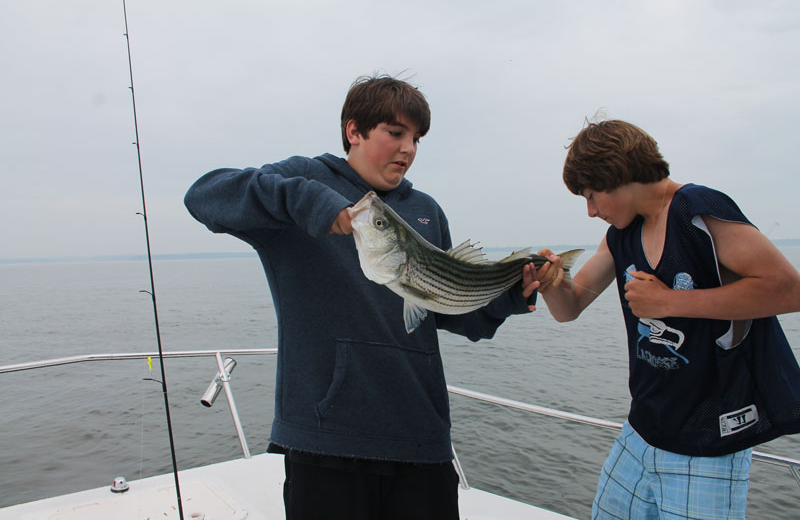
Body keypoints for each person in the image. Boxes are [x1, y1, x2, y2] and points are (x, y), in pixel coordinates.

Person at [184, 74, 540, 520]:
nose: (408, 149)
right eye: (395, 132)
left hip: (422, 441)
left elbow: (450, 311)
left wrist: (510, 295)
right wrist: (310, 202)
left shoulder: (426, 210)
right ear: (354, 131)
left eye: (416, 138)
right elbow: (204, 196)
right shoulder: (305, 179)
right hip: (327, 443)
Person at [533, 118, 800, 519]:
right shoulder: (621, 234)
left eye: (591, 196)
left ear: (619, 176)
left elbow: (789, 289)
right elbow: (569, 308)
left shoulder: (699, 210)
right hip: (639, 434)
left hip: (707, 446)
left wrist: (669, 302)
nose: (591, 211)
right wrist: (551, 283)